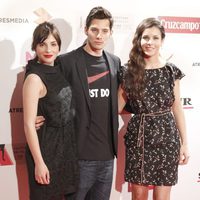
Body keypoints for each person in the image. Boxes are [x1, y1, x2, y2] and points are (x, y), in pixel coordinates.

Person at [118, 17, 189, 200]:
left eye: (155, 38)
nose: (150, 42)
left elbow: (177, 108)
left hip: (167, 137)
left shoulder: (170, 71)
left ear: (162, 40)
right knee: (139, 195)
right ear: (139, 40)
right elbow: (116, 108)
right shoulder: (128, 71)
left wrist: (184, 143)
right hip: (140, 138)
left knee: (162, 197)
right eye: (146, 37)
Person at [23, 22, 78, 200]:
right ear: (35, 46)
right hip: (45, 152)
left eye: (53, 44)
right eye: (42, 44)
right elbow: (29, 125)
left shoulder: (59, 69)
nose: (48, 49)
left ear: (59, 46)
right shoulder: (34, 78)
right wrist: (39, 163)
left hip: (64, 150)